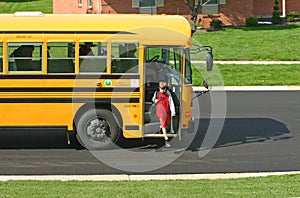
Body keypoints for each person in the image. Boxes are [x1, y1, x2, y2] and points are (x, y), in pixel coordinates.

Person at [152, 81, 176, 148]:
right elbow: (153, 99)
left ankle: (160, 129)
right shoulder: (157, 93)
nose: (162, 90)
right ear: (159, 88)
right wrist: (155, 101)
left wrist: (173, 111)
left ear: (166, 89)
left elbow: (171, 103)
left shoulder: (168, 94)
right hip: (160, 111)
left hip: (167, 111)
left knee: (166, 123)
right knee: (163, 124)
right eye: (161, 88)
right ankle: (166, 139)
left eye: (163, 89)